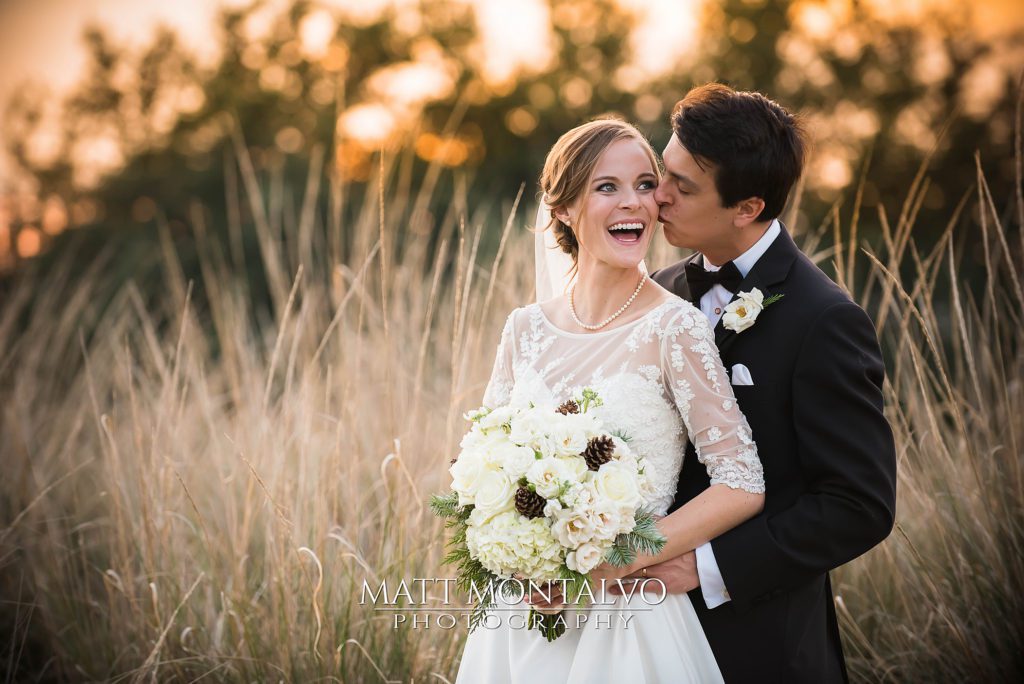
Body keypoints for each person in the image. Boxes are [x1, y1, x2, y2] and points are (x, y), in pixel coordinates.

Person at [453, 117, 766, 683]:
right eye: (607, 187)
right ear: (564, 209)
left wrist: (612, 562)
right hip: (520, 617)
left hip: (628, 619)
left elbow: (741, 483)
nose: (635, 203)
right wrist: (511, 548)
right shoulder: (524, 328)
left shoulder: (675, 327)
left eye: (646, 184)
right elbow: (478, 468)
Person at [635, 83, 897, 682]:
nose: (659, 195)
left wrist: (705, 567)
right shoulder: (656, 292)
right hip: (644, 633)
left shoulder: (824, 319)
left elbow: (858, 504)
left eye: (684, 187)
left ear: (747, 207)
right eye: (662, 171)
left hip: (760, 645)